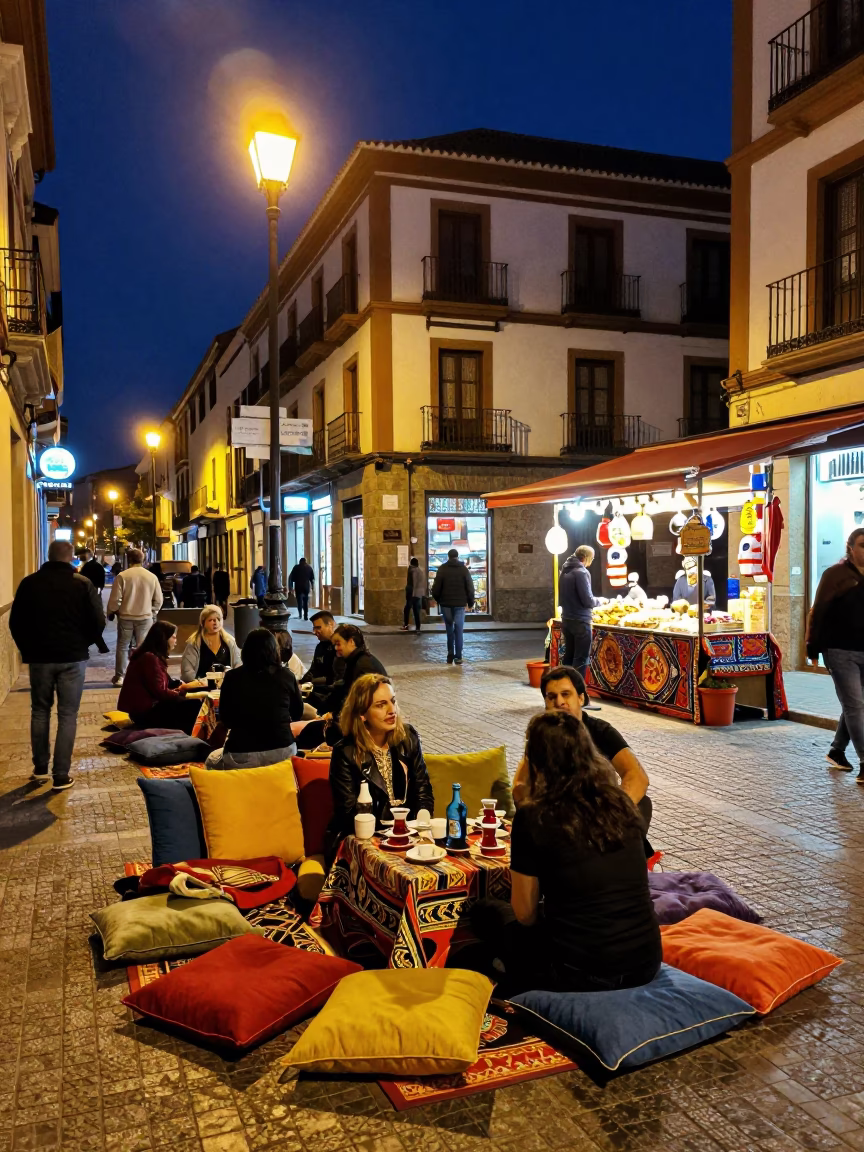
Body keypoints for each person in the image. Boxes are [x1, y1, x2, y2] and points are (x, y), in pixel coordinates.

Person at [466, 710, 661, 996]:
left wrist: (522, 789)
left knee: (487, 913)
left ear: (536, 761)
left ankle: (506, 975)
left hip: (585, 972)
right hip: (645, 962)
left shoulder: (534, 816)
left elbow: (525, 914)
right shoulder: (619, 801)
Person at [515, 666, 654, 849]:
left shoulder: (601, 731)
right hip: (559, 817)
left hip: (598, 816)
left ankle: (626, 860)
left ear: (580, 698)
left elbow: (638, 777)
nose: (560, 702)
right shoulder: (542, 735)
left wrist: (611, 812)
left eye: (566, 694)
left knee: (643, 803)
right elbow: (519, 787)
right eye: (552, 697)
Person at [10, 539, 106, 790]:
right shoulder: (82, 584)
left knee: (39, 711)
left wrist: (27, 649)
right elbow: (98, 620)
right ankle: (61, 774)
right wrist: (84, 643)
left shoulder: (29, 583)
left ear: (48, 556)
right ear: (71, 557)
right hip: (73, 658)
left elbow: (16, 622)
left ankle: (40, 768)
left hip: (40, 658)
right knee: (67, 715)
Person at [326, 673, 434, 852]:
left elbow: (423, 791)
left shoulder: (408, 738)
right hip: (361, 840)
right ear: (362, 714)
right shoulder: (345, 752)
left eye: (393, 701)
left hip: (407, 835)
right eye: (381, 705)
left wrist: (422, 828)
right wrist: (392, 833)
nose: (391, 710)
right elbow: (349, 813)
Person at [807, 527, 864, 777]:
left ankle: (837, 750)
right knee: (855, 705)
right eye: (863, 545)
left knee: (856, 705)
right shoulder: (835, 575)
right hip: (839, 650)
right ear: (850, 548)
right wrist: (812, 646)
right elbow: (818, 611)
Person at [207, 628, 303, 769]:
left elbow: (226, 720)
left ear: (245, 650)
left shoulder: (232, 677)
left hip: (241, 752)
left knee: (210, 761)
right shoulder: (287, 676)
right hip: (282, 751)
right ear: (274, 650)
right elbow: (297, 713)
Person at [117, 621, 202, 733]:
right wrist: (180, 693)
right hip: (145, 713)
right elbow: (160, 692)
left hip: (146, 708)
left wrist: (183, 686)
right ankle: (189, 737)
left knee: (192, 700)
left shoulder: (152, 656)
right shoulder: (150, 658)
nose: (175, 639)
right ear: (163, 639)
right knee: (193, 705)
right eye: (172, 636)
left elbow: (166, 681)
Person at [107, 547, 163, 686]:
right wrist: (152, 611)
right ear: (142, 559)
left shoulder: (122, 576)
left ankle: (121, 676)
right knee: (143, 647)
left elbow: (115, 600)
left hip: (126, 616)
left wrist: (112, 611)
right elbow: (159, 599)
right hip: (145, 617)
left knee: (123, 646)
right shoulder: (151, 577)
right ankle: (143, 675)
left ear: (129, 559)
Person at [559, 545, 601, 708]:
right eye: (592, 559)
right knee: (581, 660)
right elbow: (588, 600)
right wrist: (600, 601)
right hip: (581, 621)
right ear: (587, 558)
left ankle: (564, 695)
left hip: (567, 619)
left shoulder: (565, 569)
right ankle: (580, 700)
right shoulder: (581, 572)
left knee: (569, 659)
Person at [320, 624, 387, 721]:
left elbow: (360, 702)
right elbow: (344, 689)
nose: (336, 648)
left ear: (351, 641)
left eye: (338, 644)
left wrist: (333, 715)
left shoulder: (363, 665)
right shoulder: (355, 660)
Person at [431, 548, 474, 665]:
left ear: (448, 557)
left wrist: (439, 600)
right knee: (459, 630)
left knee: (449, 629)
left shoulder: (442, 569)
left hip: (446, 604)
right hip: (460, 604)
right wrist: (470, 602)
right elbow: (470, 587)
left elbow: (435, 589)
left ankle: (450, 655)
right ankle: (458, 656)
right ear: (457, 556)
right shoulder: (464, 570)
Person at [180, 606, 242, 683]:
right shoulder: (194, 643)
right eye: (211, 620)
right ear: (203, 622)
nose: (216, 622)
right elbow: (187, 671)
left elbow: (238, 665)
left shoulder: (230, 642)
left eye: (218, 619)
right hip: (200, 687)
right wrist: (199, 683)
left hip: (226, 686)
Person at [300, 611, 345, 710]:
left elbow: (336, 680)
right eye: (314, 628)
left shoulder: (341, 649)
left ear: (331, 625)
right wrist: (300, 683)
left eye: (318, 627)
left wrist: (311, 683)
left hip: (333, 698)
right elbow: (313, 670)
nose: (315, 632)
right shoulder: (320, 647)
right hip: (318, 694)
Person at [401, 557, 426, 633]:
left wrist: (412, 593)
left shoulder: (412, 570)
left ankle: (406, 625)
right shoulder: (420, 571)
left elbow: (414, 583)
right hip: (418, 594)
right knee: (416, 611)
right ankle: (418, 627)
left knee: (407, 609)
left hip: (412, 594)